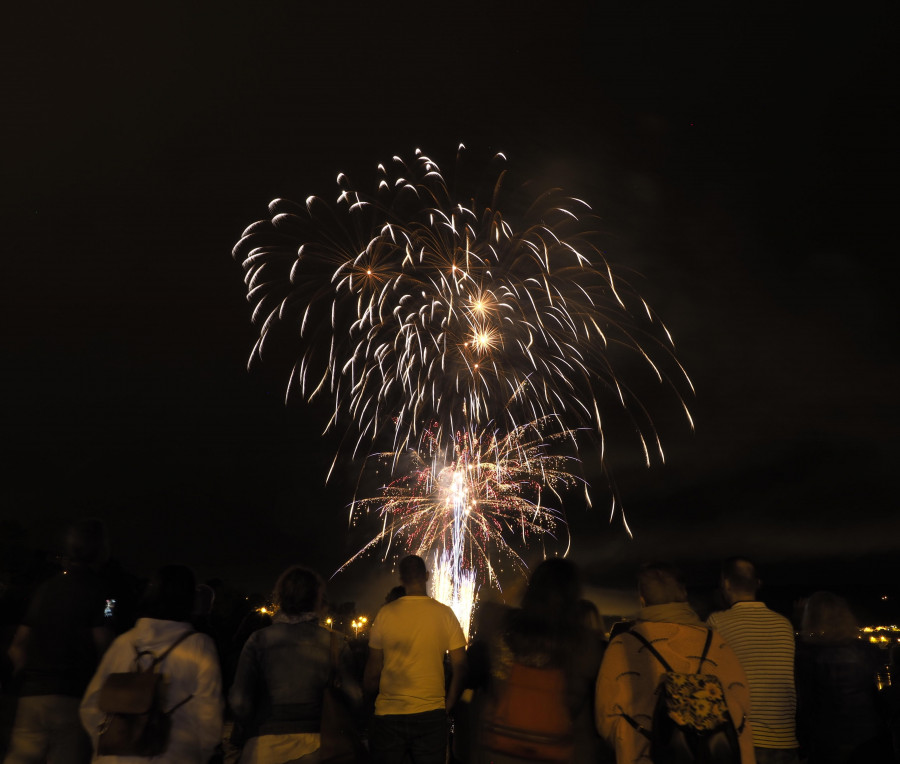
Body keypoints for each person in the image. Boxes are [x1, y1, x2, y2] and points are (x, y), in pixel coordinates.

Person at [595, 563, 755, 764]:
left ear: (643, 599)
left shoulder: (624, 646)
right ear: (684, 594)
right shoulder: (716, 643)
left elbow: (606, 719)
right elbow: (741, 706)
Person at [80, 565, 224, 763]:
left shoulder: (123, 643)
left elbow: (91, 704)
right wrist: (200, 752)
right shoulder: (200, 645)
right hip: (176, 755)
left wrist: (110, 742)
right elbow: (210, 712)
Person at [4, 518, 114, 764]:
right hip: (73, 695)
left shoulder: (46, 589)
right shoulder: (103, 594)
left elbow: (19, 644)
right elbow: (104, 642)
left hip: (32, 694)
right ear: (101, 550)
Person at [228, 564, 361, 763]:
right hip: (318, 747)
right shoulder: (335, 642)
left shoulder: (259, 640)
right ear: (317, 599)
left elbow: (239, 701)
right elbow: (355, 697)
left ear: (281, 597)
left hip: (264, 748)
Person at [479, 558, 608, 763]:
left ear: (532, 589)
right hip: (554, 749)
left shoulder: (502, 624)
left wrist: (523, 583)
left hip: (501, 746)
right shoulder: (585, 643)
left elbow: (486, 607)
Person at [363, 555, 467, 764]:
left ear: (401, 579)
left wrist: (367, 702)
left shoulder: (385, 614)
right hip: (431, 714)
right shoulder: (445, 614)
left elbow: (373, 671)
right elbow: (461, 666)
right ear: (427, 576)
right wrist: (448, 705)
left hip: (389, 713)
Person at [707, 557, 798, 764]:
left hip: (743, 737)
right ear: (758, 584)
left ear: (726, 584)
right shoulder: (783, 624)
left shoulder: (717, 622)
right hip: (784, 739)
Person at [795, 591, 892, 764]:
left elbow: (806, 704)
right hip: (868, 735)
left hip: (829, 740)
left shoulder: (808, 655)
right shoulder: (866, 650)